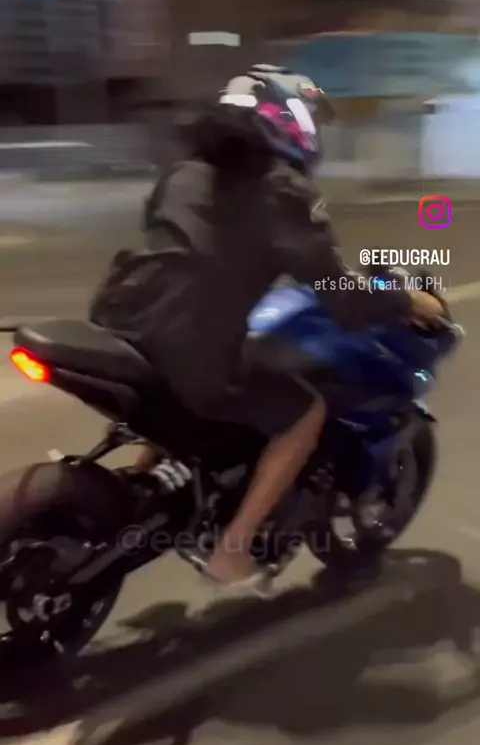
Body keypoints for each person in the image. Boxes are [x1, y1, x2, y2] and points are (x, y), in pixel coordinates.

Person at [91, 64, 443, 594]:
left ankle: (148, 478)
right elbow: (340, 296)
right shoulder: (284, 189)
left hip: (121, 316)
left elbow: (195, 249)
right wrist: (406, 299)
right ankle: (232, 551)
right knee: (303, 413)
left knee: (191, 384)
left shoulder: (184, 172)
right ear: (286, 121)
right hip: (191, 344)